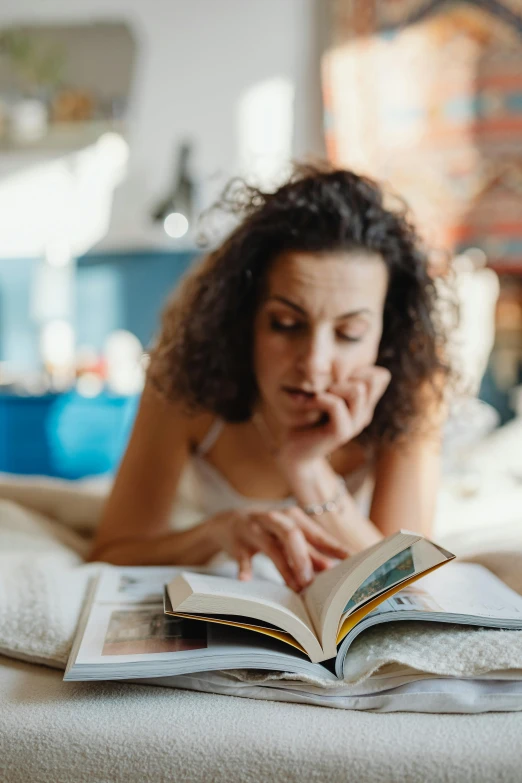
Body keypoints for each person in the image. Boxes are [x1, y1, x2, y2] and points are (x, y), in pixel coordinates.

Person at [89, 165, 451, 592]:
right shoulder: (184, 382)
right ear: (245, 319)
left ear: (384, 334)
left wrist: (307, 468)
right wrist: (216, 531)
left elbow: (409, 580)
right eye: (285, 323)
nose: (314, 363)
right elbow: (114, 549)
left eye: (349, 333)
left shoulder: (414, 390)